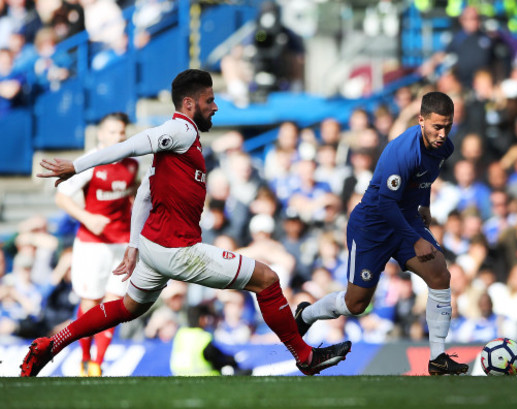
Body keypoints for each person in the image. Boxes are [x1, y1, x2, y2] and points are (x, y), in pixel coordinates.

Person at [21, 69, 351, 377]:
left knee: (125, 307)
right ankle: (305, 357)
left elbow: (144, 196)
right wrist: (76, 166)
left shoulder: (182, 145)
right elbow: (132, 144)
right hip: (177, 249)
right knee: (267, 279)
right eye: (209, 100)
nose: (216, 107)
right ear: (189, 103)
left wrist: (135, 246)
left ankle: (50, 344)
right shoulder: (179, 129)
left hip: (153, 247)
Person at [294, 91, 469, 375]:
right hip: (372, 226)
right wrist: (415, 240)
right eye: (437, 126)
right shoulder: (402, 152)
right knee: (355, 304)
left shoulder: (443, 147)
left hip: (405, 220)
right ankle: (308, 313)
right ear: (421, 120)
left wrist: (423, 205)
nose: (443, 133)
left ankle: (438, 358)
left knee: (440, 274)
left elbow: (425, 179)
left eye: (448, 126)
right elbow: (386, 203)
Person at [55, 112, 138, 376]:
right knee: (90, 302)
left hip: (122, 243)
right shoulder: (89, 163)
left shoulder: (132, 164)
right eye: (113, 132)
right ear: (101, 135)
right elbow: (62, 196)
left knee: (114, 306)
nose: (118, 137)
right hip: (92, 245)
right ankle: (84, 356)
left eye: (122, 132)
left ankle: (98, 364)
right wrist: (87, 217)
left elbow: (132, 194)